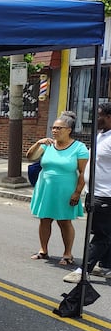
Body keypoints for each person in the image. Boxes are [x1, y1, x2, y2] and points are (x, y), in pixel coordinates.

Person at [27, 111, 88, 266]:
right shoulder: (48, 145)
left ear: (69, 130)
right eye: (53, 127)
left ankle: (68, 254)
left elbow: (83, 173)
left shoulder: (79, 148)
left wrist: (77, 192)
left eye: (59, 128)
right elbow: (30, 157)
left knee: (64, 221)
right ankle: (43, 250)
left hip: (66, 190)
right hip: (45, 188)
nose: (54, 130)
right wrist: (38, 143)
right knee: (44, 219)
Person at [64, 103, 111, 283]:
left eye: (98, 115)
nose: (94, 119)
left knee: (101, 234)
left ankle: (83, 270)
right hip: (95, 192)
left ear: (108, 117)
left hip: (106, 195)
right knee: (107, 232)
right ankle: (106, 266)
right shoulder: (101, 135)